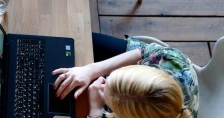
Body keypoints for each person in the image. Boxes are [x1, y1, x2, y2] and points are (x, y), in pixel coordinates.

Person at [52, 34, 198, 118]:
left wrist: (96, 110)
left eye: (109, 104)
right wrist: (92, 70)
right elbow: (143, 51)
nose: (101, 82)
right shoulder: (170, 59)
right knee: (82, 39)